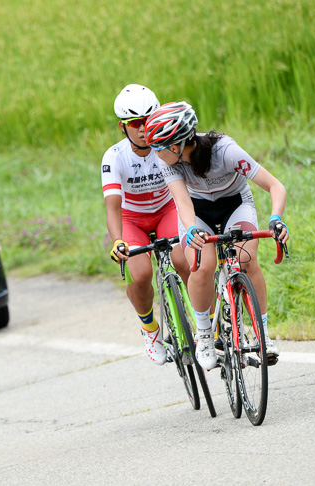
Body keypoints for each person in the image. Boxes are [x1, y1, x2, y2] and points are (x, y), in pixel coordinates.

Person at [144, 101, 289, 371]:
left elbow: (274, 185)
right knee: (203, 265)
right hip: (197, 211)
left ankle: (262, 334)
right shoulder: (168, 163)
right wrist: (190, 229)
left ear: (175, 146)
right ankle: (204, 336)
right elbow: (182, 202)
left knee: (246, 258)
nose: (154, 153)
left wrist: (276, 218)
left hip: (235, 204)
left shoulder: (226, 150)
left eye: (158, 147)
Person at [101, 84, 190, 366]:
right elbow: (113, 208)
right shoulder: (114, 157)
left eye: (148, 121)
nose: (142, 129)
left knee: (184, 259)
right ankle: (150, 329)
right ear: (122, 127)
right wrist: (118, 241)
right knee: (139, 276)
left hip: (166, 210)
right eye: (135, 123)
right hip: (132, 220)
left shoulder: (166, 145)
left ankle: (205, 323)